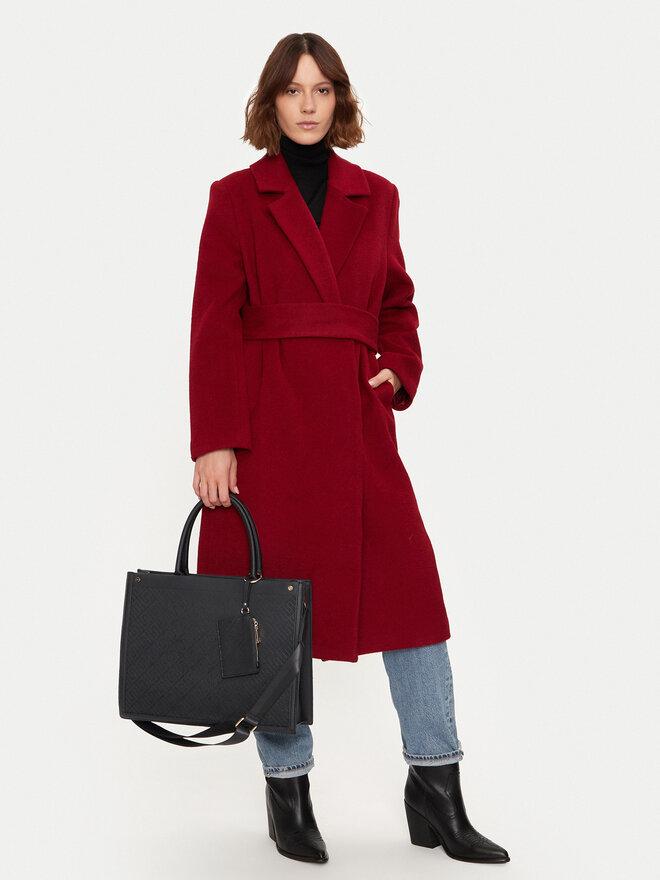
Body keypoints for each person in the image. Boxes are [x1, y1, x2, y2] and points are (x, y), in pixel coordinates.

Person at [188, 33, 509, 865]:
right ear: (271, 101)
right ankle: (287, 791)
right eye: (293, 89)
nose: (308, 104)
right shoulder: (234, 198)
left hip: (358, 430)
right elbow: (214, 322)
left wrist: (397, 369)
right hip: (271, 430)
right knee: (273, 615)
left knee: (415, 603)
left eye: (322, 89)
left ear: (340, 100)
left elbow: (398, 305)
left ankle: (437, 787)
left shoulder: (379, 196)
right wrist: (216, 439)